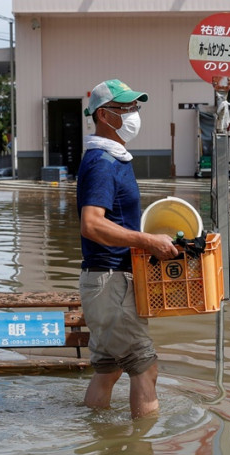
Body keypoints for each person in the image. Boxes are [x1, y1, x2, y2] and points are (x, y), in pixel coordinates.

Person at [76, 79, 178, 419]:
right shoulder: (102, 162)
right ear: (105, 115)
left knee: (108, 369)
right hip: (111, 284)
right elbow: (91, 224)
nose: (135, 114)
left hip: (107, 283)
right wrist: (148, 240)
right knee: (144, 368)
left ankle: (97, 437)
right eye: (127, 108)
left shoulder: (112, 159)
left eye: (136, 107)